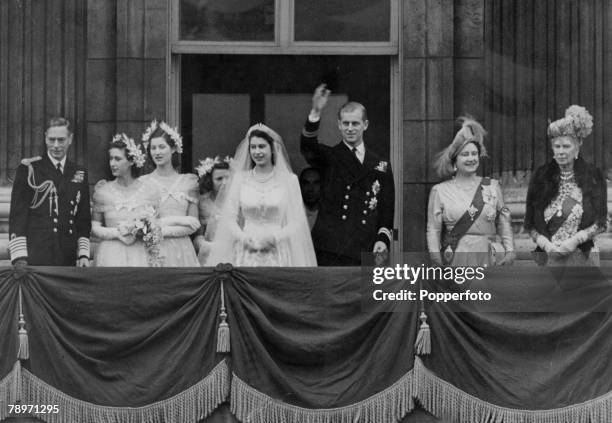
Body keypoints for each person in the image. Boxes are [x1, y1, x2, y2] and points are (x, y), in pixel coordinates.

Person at [300, 84, 395, 266]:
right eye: (346, 123)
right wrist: (316, 111)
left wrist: (382, 239)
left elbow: (386, 210)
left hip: (366, 247)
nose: (350, 128)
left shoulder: (380, 164)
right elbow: (307, 147)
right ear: (339, 125)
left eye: (355, 123)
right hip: (330, 248)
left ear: (365, 125)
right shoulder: (329, 156)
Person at [206, 123, 317, 267]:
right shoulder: (240, 178)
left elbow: (297, 221)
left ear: (273, 148)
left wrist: (274, 238)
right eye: (253, 147)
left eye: (262, 146)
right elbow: (229, 217)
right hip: (247, 249)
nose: (257, 151)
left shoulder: (289, 180)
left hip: (277, 249)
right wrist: (244, 239)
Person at [524, 105, 607, 266]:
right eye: (557, 146)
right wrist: (546, 245)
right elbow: (530, 225)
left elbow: (602, 223)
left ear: (577, 146)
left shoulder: (593, 176)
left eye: (566, 146)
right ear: (552, 148)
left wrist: (574, 241)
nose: (561, 151)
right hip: (549, 258)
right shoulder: (541, 177)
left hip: (583, 257)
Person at [426, 117, 515, 267]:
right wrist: (436, 259)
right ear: (455, 161)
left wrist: (510, 250)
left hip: (490, 257)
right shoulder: (440, 191)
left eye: (474, 154)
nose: (471, 158)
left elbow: (503, 223)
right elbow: (433, 229)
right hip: (457, 257)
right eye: (465, 154)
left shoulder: (492, 186)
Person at [8, 117, 91, 266]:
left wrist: (83, 254)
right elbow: (18, 216)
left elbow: (83, 219)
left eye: (61, 140)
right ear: (45, 138)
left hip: (68, 255)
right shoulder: (29, 169)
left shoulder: (79, 172)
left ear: (70, 139)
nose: (56, 145)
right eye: (52, 140)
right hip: (36, 254)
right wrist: (20, 257)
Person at [91, 134, 161, 266]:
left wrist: (142, 229)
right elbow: (95, 227)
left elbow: (155, 224)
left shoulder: (149, 191)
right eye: (111, 159)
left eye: (118, 159)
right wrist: (117, 233)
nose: (112, 163)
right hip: (110, 254)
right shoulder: (103, 192)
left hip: (141, 255)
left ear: (131, 161)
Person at [140, 120, 200, 267]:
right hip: (153, 249)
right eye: (153, 148)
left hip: (182, 249)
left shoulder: (188, 182)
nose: (157, 152)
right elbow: (143, 223)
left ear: (173, 149)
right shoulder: (142, 183)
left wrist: (160, 229)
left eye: (162, 147)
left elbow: (193, 224)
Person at [193, 156, 231, 265]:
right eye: (219, 179)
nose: (224, 182)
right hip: (209, 253)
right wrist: (205, 245)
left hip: (233, 250)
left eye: (228, 178)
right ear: (210, 180)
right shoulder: (202, 202)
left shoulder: (237, 201)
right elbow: (198, 233)